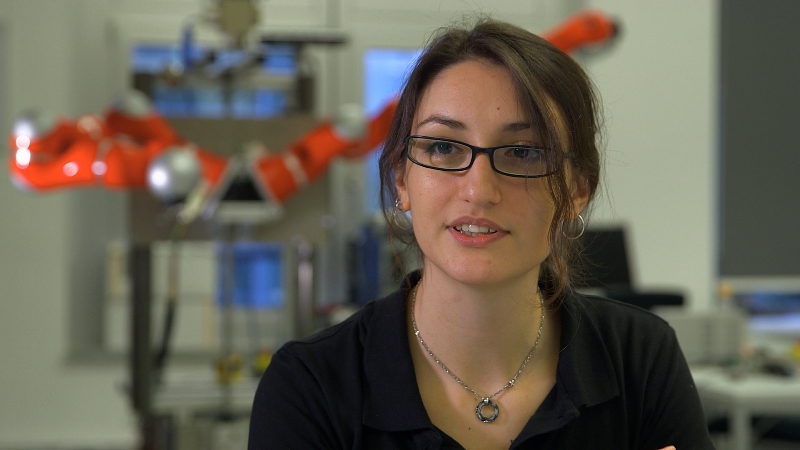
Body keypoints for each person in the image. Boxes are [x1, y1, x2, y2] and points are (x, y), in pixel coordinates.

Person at [249, 18, 714, 450]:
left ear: (577, 191)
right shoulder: (310, 385)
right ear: (402, 181)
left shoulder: (640, 359)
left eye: (524, 152)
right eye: (443, 147)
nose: (479, 190)